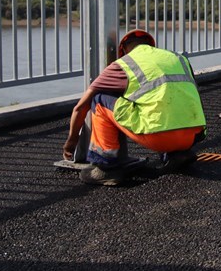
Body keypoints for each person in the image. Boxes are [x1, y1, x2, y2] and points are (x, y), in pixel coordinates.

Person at [62, 29, 207, 186]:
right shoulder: (177, 58)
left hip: (160, 136)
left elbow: (81, 107)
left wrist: (72, 141)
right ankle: (176, 154)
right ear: (151, 45)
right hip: (193, 135)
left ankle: (106, 167)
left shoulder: (124, 64)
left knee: (99, 100)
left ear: (123, 50)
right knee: (163, 102)